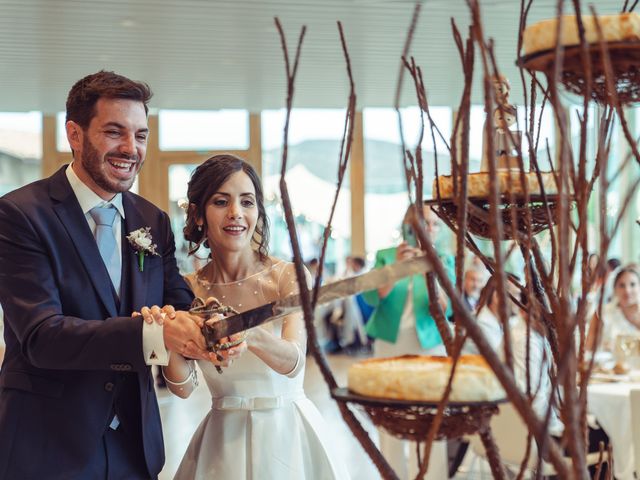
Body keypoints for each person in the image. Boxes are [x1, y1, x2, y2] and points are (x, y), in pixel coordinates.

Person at [0, 71, 211, 479]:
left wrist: (214, 325)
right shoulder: (20, 215)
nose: (131, 149)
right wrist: (153, 335)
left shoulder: (153, 220)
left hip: (134, 448)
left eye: (141, 135)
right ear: (75, 135)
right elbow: (43, 338)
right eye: (115, 132)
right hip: (46, 447)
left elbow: (180, 307)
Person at [157, 154, 349, 479]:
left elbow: (294, 362)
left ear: (258, 213)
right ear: (198, 214)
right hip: (222, 445)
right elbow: (184, 388)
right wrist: (167, 336)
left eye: (247, 202)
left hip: (288, 436)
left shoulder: (286, 276)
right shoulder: (185, 289)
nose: (236, 213)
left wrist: (247, 331)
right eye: (221, 201)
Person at [362, 202, 454, 480]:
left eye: (434, 224)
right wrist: (399, 267)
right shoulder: (387, 256)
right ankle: (392, 475)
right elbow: (369, 297)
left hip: (429, 345)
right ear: (408, 226)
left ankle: (432, 476)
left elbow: (445, 308)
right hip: (390, 345)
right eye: (423, 223)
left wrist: (430, 268)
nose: (429, 229)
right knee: (390, 417)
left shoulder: (444, 260)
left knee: (432, 417)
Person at [587, 265, 640, 357]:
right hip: (608, 369)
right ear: (615, 289)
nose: (627, 290)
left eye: (632, 284)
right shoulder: (601, 313)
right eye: (621, 285)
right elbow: (588, 348)